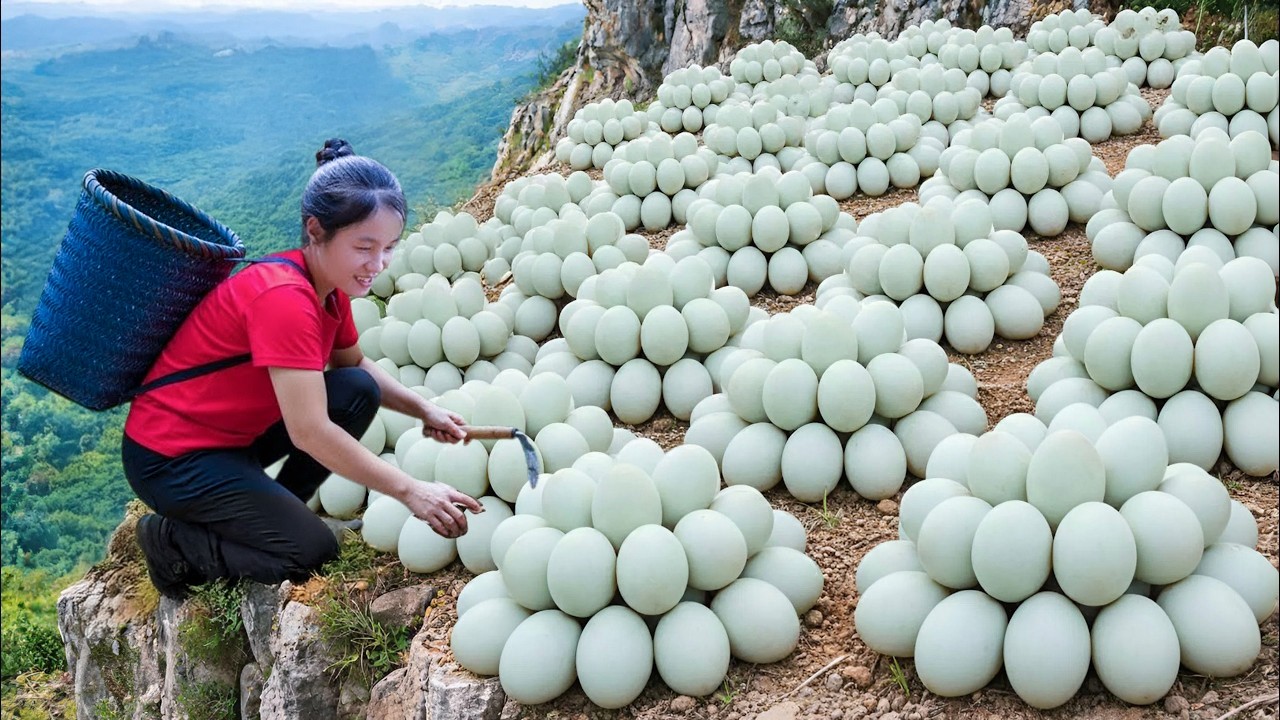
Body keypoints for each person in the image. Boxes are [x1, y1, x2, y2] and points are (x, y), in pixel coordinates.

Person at [123, 138, 482, 599]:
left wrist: (424, 410)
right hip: (173, 459)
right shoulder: (284, 299)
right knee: (310, 553)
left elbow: (355, 367)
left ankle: (278, 512)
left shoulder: (328, 289)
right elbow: (309, 432)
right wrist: (410, 490)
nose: (378, 264)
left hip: (231, 440)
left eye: (389, 247)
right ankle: (171, 542)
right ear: (316, 230)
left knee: (354, 389)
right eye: (364, 247)